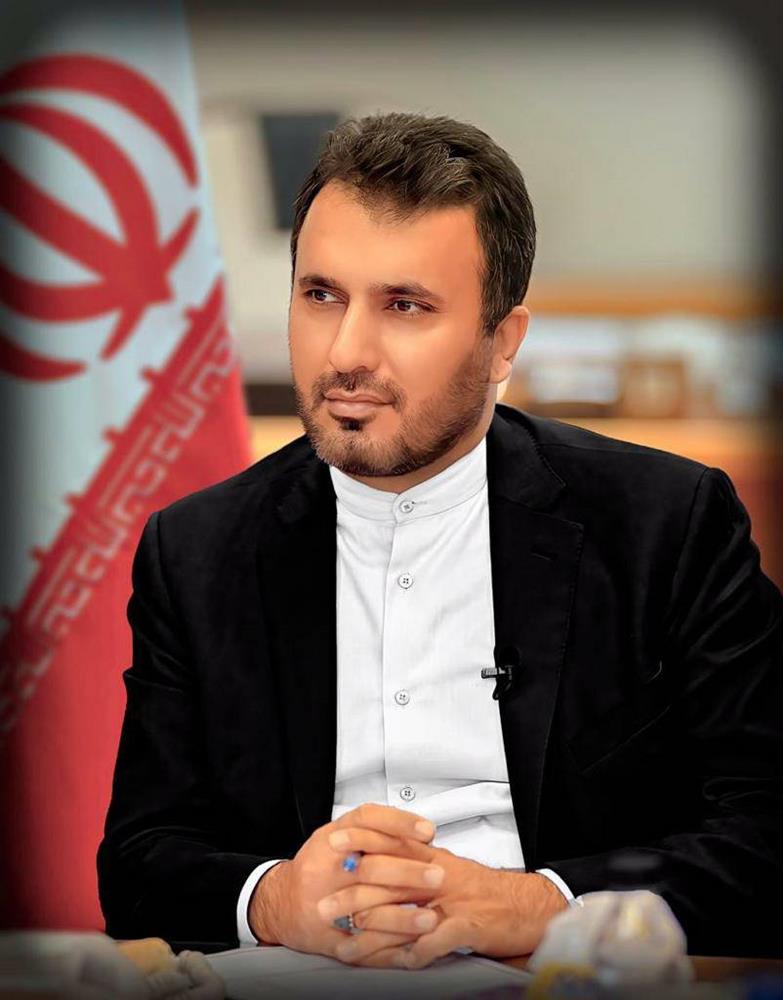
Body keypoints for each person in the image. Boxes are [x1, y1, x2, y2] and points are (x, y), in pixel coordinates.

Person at [98, 112, 783, 966]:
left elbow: (765, 832)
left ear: (501, 344)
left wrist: (539, 906)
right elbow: (139, 864)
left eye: (405, 306)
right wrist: (274, 900)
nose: (345, 352)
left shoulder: (663, 523)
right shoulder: (196, 549)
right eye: (321, 296)